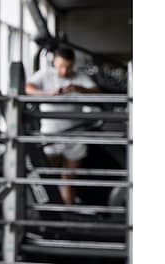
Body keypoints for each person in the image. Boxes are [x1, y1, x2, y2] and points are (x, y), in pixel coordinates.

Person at [25, 47, 101, 204]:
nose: (65, 71)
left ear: (73, 64)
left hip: (75, 134)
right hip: (51, 135)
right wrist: (47, 94)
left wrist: (79, 89)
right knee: (48, 177)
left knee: (71, 179)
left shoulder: (79, 76)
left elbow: (96, 91)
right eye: (61, 66)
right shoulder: (45, 74)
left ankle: (68, 214)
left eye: (68, 66)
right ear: (54, 63)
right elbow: (28, 87)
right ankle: (51, 214)